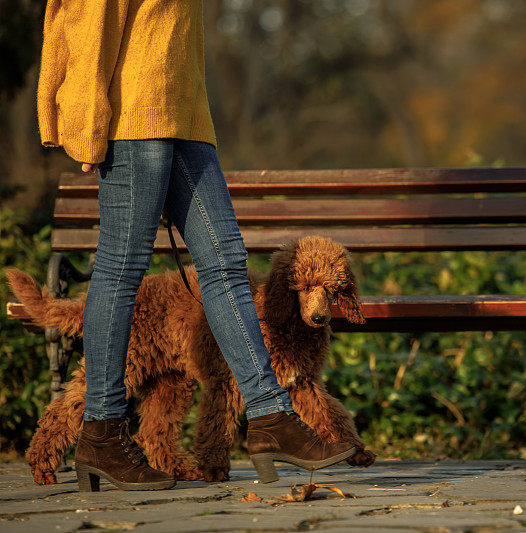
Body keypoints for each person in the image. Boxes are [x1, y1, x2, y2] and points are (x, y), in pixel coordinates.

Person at [36, 0, 355, 491]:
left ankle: (271, 418)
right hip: (134, 120)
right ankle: (101, 431)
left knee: (226, 264)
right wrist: (84, 123)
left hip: (185, 118)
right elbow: (85, 17)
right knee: (122, 269)